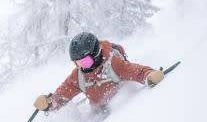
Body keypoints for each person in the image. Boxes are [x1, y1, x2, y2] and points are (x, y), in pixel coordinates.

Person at [33, 32, 164, 115]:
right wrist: (48, 103)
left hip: (120, 113)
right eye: (77, 63)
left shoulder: (114, 64)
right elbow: (62, 96)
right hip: (98, 116)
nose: (82, 67)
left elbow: (138, 72)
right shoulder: (79, 75)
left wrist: (150, 75)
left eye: (85, 62)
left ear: (96, 54)